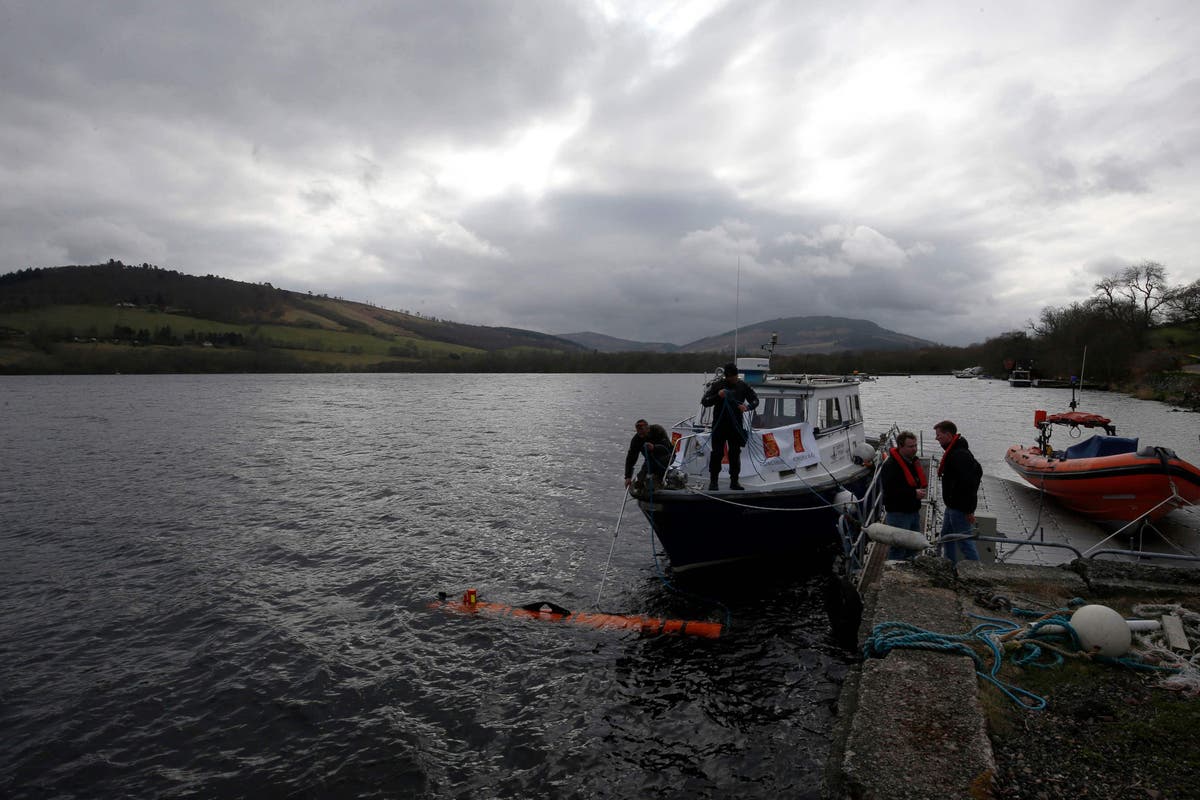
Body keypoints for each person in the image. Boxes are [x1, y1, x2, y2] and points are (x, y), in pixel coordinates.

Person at [700, 362, 759, 490]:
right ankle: (713, 482)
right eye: (732, 377)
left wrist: (747, 407)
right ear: (727, 377)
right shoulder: (717, 386)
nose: (735, 379)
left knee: (734, 454)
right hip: (719, 426)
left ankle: (734, 482)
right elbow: (705, 402)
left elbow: (755, 400)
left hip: (735, 426)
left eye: (736, 376)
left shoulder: (742, 386)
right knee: (717, 454)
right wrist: (718, 396)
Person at [933, 420, 982, 563]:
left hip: (959, 507)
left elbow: (969, 483)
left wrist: (969, 510)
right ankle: (950, 565)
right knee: (947, 536)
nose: (936, 438)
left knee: (964, 541)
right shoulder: (956, 451)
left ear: (948, 435)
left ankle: (976, 572)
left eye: (939, 435)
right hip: (952, 505)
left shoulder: (959, 455)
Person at [879, 430, 927, 559]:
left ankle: (910, 571)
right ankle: (893, 574)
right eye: (911, 446)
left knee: (913, 546)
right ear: (900, 447)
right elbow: (890, 492)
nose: (915, 449)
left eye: (916, 446)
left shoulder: (911, 462)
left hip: (913, 512)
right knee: (898, 548)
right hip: (898, 514)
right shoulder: (891, 465)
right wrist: (913, 493)